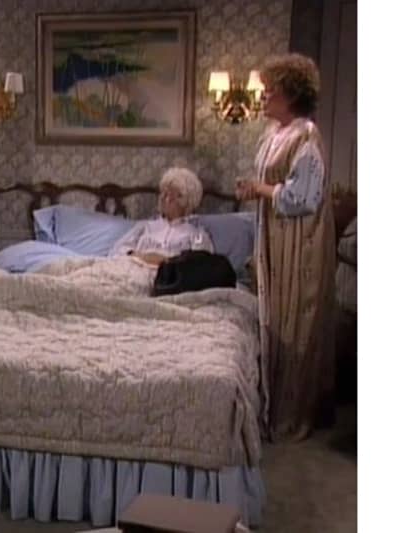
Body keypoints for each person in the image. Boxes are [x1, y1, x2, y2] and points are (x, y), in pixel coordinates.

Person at [235, 53, 335, 442]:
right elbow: (274, 183)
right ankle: (270, 402)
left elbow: (303, 197)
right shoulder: (274, 133)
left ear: (291, 94)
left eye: (270, 91)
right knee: (273, 314)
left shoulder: (305, 136)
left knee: (294, 318)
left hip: (298, 240)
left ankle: (291, 412)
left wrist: (261, 189)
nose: (264, 97)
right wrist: (255, 189)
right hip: (274, 234)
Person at [109, 167, 214, 265]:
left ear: (185, 202)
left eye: (170, 195)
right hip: (133, 267)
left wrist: (165, 260)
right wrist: (139, 256)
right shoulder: (145, 227)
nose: (163, 198)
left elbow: (202, 265)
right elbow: (116, 251)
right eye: (163, 193)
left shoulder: (196, 235)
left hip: (167, 274)